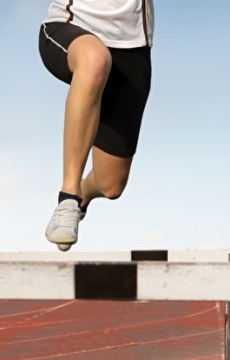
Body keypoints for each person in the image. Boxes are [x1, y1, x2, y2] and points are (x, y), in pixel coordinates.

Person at [39, 0, 154, 251]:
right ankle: (68, 197)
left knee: (110, 184)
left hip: (132, 47)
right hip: (71, 27)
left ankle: (82, 195)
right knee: (94, 60)